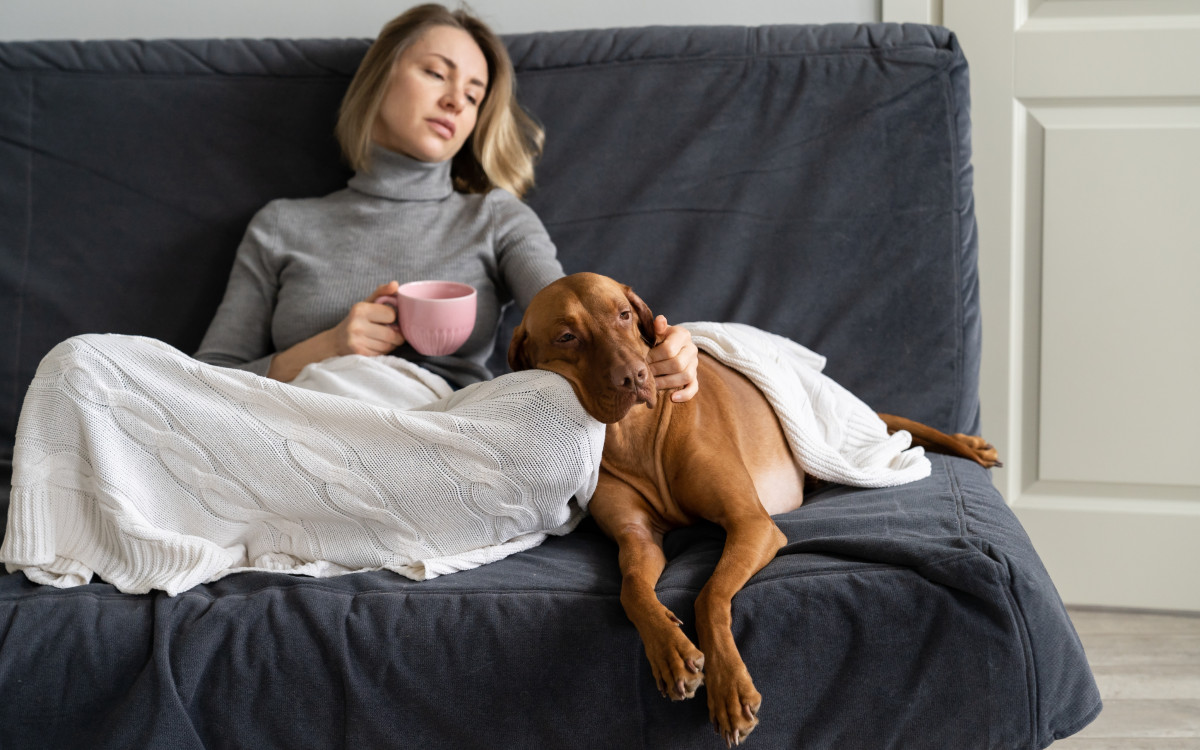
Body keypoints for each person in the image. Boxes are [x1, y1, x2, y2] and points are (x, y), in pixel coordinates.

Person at [194, 3, 699, 398]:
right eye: (437, 73)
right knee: (116, 367)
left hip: (444, 427)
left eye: (474, 95)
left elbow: (573, 317)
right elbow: (200, 384)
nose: (457, 100)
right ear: (380, 77)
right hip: (305, 419)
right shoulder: (281, 224)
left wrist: (664, 350)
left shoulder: (495, 216)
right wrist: (327, 348)